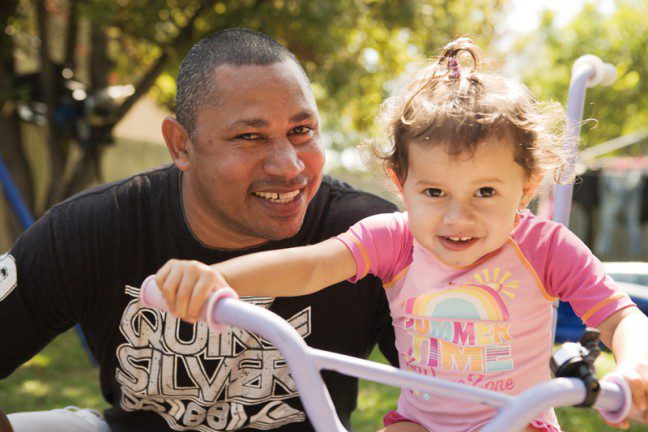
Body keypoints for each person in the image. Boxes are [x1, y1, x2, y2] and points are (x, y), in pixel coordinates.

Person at [155, 38, 648, 432]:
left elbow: (621, 316)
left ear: (527, 187)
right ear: (401, 185)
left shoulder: (547, 248)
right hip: (419, 423)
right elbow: (310, 266)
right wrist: (214, 279)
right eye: (434, 191)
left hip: (520, 421)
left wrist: (634, 368)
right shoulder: (393, 238)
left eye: (485, 192)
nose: (458, 217)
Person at [0, 28, 399, 431]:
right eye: (250, 136)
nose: (290, 166)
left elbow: (455, 394)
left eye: (301, 131)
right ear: (181, 146)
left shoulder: (372, 237)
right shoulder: (92, 228)